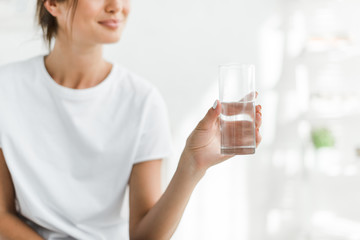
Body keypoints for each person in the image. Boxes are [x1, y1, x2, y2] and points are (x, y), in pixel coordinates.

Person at [0, 0, 263, 239]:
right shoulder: (7, 89)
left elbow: (144, 236)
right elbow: (2, 216)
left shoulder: (142, 101)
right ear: (54, 4)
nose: (117, 6)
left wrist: (193, 164)